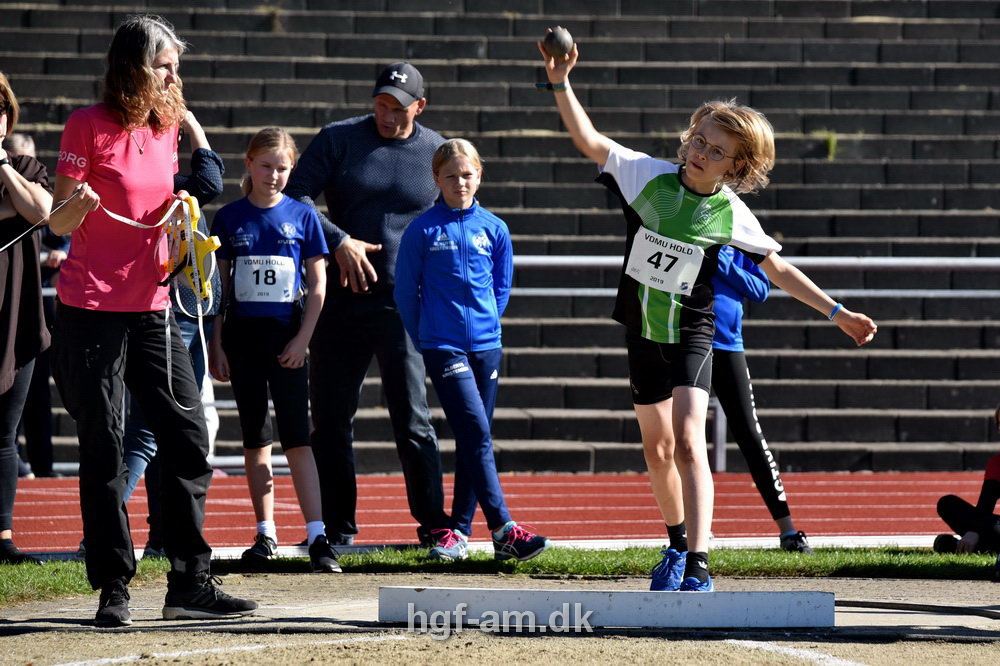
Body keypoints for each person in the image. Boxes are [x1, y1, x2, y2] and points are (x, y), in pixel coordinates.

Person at [538, 34, 877, 592]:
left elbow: (778, 271)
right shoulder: (646, 176)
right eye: (699, 140)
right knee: (657, 449)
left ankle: (698, 561)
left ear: (737, 165)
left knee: (691, 440)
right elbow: (589, 140)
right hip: (642, 328)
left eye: (716, 151)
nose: (701, 153)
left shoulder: (731, 212)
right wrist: (560, 80)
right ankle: (674, 543)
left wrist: (837, 312)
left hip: (694, 329)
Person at [50, 15, 256, 627]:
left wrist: (181, 212)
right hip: (89, 310)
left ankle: (189, 580)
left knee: (189, 435)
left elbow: (165, 197)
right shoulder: (85, 125)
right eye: (165, 63)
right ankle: (113, 585)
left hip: (154, 309)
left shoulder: (165, 128)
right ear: (135, 66)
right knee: (105, 446)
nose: (175, 73)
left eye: (176, 64)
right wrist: (76, 207)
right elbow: (58, 222)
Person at [284, 62, 451, 547]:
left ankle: (435, 526)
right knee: (331, 420)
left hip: (402, 305)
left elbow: (455, 211)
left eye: (397, 107)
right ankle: (338, 530)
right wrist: (338, 240)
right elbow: (293, 195)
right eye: (380, 103)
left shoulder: (434, 151)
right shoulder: (338, 139)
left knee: (413, 419)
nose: (386, 114)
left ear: (420, 106)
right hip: (339, 301)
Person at [395, 138, 551, 562]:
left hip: (487, 347)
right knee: (477, 433)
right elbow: (407, 294)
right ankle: (503, 527)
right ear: (436, 180)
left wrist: (485, 326)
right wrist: (430, 337)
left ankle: (459, 534)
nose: (460, 182)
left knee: (472, 437)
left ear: (479, 175)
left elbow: (500, 289)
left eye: (467, 174)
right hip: (443, 347)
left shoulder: (495, 228)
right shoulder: (422, 230)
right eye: (451, 176)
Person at [210, 127, 341, 574]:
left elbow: (319, 286)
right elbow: (219, 290)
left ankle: (317, 534)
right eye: (266, 166)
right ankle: (265, 532)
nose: (274, 175)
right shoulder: (229, 218)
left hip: (288, 341)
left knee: (297, 440)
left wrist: (303, 340)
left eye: (282, 168)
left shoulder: (303, 217)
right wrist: (217, 345)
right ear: (249, 165)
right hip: (244, 343)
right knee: (255, 440)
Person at [120, 109, 225, 559]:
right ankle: (103, 528)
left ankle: (162, 533)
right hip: (168, 312)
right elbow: (212, 179)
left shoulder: (163, 179)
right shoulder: (159, 184)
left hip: (186, 310)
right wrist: (190, 121)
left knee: (170, 429)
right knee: (151, 429)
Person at [709, 244, 813, 553]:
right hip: (679, 341)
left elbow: (760, 289)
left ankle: (788, 531)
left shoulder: (738, 232)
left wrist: (719, 261)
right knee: (681, 440)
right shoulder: (677, 219)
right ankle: (689, 533)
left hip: (727, 344)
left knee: (750, 435)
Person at [0, 71, 54, 565]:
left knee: (4, 434)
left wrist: (4, 170)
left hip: (15, 322)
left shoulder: (24, 165)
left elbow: (43, 212)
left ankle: (1, 538)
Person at [934, 405, 1000, 574]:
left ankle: (957, 547)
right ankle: (979, 546)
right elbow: (985, 505)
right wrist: (974, 531)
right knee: (948, 504)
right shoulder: (997, 463)